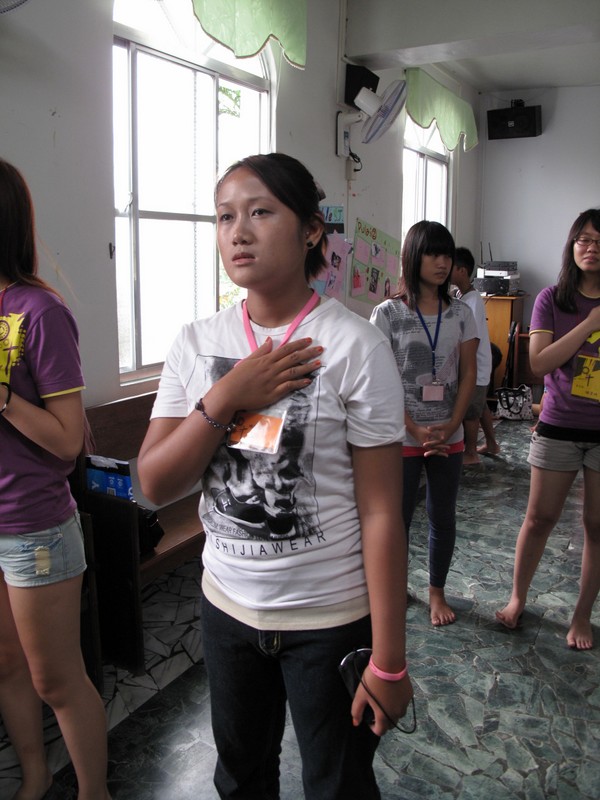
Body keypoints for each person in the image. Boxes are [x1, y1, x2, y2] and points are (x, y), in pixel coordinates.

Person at [137, 152, 413, 799]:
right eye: (224, 216)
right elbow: (154, 483)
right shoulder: (195, 343)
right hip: (227, 611)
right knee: (241, 778)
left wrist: (390, 660)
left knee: (339, 784)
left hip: (331, 618)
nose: (238, 231)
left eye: (260, 212)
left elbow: (381, 512)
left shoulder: (355, 346)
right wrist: (228, 393)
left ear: (312, 229)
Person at [0, 159, 111, 800]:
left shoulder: (38, 311)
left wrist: (4, 398)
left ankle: (95, 793)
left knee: (56, 679)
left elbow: (69, 441)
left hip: (32, 525)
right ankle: (36, 778)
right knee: (5, 663)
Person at [496, 208, 600, 650]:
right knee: (540, 518)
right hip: (558, 424)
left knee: (596, 525)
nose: (591, 248)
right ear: (572, 245)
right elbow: (538, 363)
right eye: (584, 239)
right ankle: (518, 598)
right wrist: (591, 324)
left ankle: (581, 616)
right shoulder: (552, 299)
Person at [370, 221, 478, 627]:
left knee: (442, 516)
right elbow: (379, 380)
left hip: (448, 434)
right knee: (396, 519)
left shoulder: (462, 313)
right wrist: (413, 428)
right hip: (401, 436)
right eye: (433, 253)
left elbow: (468, 374)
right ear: (413, 257)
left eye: (446, 254)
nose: (442, 262)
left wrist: (452, 425)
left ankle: (436, 592)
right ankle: (395, 587)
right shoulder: (388, 314)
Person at [451, 246, 500, 465]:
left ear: (462, 271)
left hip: (476, 365)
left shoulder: (473, 301)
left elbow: (475, 337)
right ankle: (492, 443)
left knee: (471, 412)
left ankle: (470, 452)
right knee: (481, 406)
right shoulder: (461, 296)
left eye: (450, 266)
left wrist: (465, 366)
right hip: (478, 366)